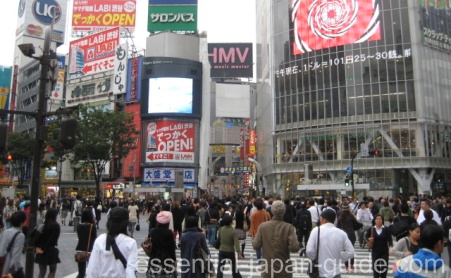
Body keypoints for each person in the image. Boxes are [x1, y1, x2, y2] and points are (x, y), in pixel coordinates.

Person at [252, 200, 300, 278]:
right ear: (284, 211)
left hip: (268, 269)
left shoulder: (263, 226)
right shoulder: (288, 227)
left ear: (272, 210)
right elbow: (294, 248)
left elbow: (256, 245)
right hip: (284, 268)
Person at [86, 207, 137, 278]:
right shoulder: (131, 242)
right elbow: (130, 270)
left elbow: (92, 268)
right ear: (126, 222)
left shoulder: (100, 239)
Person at [306, 209, 354, 278]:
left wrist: (316, 258)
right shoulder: (341, 233)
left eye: (321, 218)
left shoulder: (316, 231)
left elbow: (309, 251)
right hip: (336, 273)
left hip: (320, 272)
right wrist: (339, 258)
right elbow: (351, 252)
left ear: (325, 220)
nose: (320, 220)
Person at [147, 211, 177, 277]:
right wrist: (174, 260)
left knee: (155, 274)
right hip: (167, 257)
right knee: (167, 274)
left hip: (154, 256)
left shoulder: (153, 231)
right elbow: (171, 247)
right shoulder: (169, 233)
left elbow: (149, 242)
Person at [34, 208, 61, 278]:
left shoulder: (43, 225)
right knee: (52, 271)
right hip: (52, 250)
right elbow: (55, 239)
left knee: (42, 272)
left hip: (41, 250)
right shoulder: (56, 226)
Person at [365, 214, 393, 278]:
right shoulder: (372, 229)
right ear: (375, 220)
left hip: (384, 251)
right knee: (375, 267)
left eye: (380, 219)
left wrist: (390, 247)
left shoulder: (386, 229)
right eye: (377, 219)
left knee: (384, 266)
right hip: (375, 250)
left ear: (382, 220)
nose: (378, 220)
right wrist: (369, 239)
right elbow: (366, 236)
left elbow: (390, 240)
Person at [0, 211, 26, 278]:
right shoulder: (20, 235)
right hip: (9, 268)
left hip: (2, 264)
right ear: (22, 222)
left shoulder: (5, 232)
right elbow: (16, 256)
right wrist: (11, 273)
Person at [336, 202, 360, 271]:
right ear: (348, 208)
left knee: (344, 251)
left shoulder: (340, 217)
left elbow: (337, 227)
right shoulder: (351, 216)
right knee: (351, 250)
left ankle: (346, 266)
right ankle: (352, 265)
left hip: (343, 236)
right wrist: (356, 227)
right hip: (351, 235)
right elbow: (357, 224)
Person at [75, 209, 97, 278]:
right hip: (90, 249)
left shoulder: (79, 226)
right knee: (91, 271)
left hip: (80, 249)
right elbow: (94, 237)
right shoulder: (92, 226)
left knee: (81, 272)